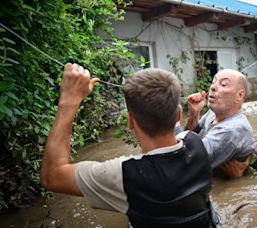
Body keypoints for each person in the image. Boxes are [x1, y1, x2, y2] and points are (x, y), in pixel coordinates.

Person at [40, 63, 216, 227]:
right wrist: (194, 114)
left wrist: (68, 101)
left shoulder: (124, 174)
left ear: (130, 121)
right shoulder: (196, 142)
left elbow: (52, 176)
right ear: (179, 115)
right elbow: (181, 136)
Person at [176, 69, 255, 169]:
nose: (212, 87)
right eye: (213, 82)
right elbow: (191, 135)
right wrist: (194, 114)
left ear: (239, 95)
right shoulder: (214, 113)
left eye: (223, 84)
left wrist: (174, 123)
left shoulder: (232, 129)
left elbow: (186, 160)